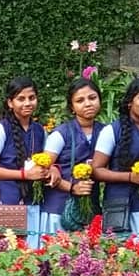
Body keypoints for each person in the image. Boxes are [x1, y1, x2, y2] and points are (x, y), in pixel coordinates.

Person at [91, 77, 139, 237]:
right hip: (121, 206)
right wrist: (130, 177)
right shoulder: (112, 130)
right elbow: (96, 171)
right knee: (122, 250)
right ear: (130, 101)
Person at [0, 77, 48, 248]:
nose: (27, 103)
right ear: (10, 103)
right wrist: (25, 174)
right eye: (21, 99)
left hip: (31, 205)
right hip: (2, 205)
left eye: (32, 98)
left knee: (29, 256)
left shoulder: (40, 131)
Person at [40, 78, 104, 235]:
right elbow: (42, 171)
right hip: (59, 209)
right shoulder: (61, 134)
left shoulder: (105, 132)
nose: (88, 104)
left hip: (90, 210)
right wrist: (71, 187)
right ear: (72, 107)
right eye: (80, 100)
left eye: (92, 98)